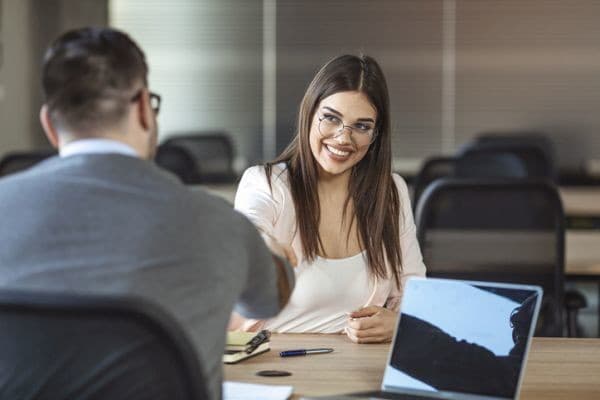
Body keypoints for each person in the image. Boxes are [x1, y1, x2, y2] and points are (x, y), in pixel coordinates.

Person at [0, 27, 294, 400]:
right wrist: (278, 257)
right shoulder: (216, 223)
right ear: (143, 107)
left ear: (49, 124)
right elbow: (270, 299)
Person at [231, 54, 426, 343]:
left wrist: (399, 323)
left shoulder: (391, 192)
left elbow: (416, 295)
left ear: (375, 135)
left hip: (355, 370)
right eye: (331, 118)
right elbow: (248, 229)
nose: (343, 138)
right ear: (309, 113)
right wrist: (263, 245)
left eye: (361, 126)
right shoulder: (267, 184)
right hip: (275, 365)